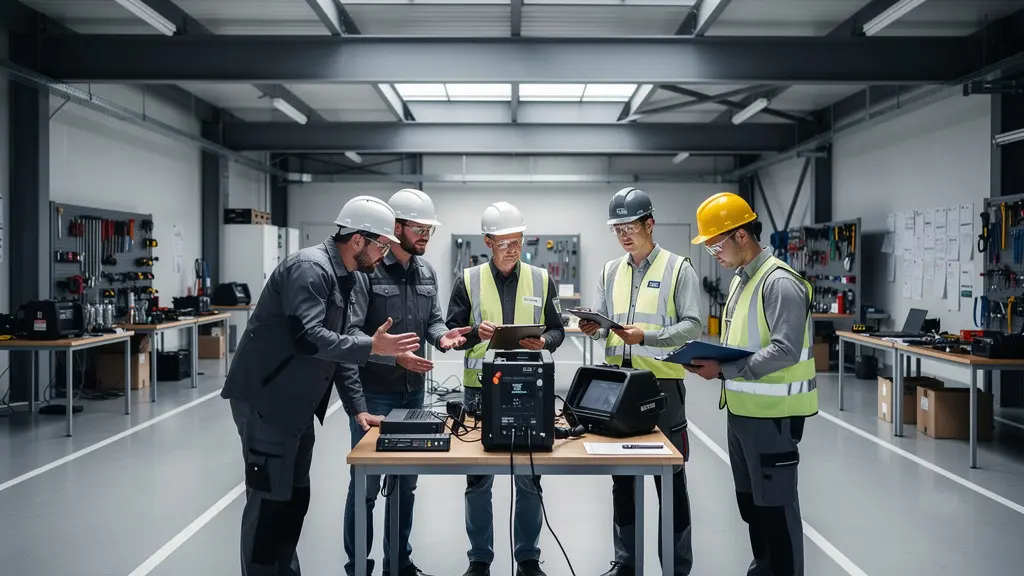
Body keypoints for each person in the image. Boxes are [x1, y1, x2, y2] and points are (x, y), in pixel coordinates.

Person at [221, 195, 422, 576]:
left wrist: (358, 408)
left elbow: (341, 347)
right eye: (381, 245)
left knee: (295, 499)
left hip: (298, 405)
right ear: (358, 240)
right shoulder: (309, 269)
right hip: (268, 402)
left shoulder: (351, 277)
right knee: (269, 504)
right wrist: (372, 346)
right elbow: (309, 338)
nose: (384, 254)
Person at [341, 189, 472, 576]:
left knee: (405, 484)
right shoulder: (367, 270)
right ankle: (358, 567)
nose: (426, 236)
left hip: (413, 393)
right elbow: (351, 335)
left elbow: (433, 321)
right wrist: (392, 356)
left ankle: (398, 563)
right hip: (373, 395)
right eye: (420, 228)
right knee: (366, 486)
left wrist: (443, 337)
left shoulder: (426, 271)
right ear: (396, 228)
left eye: (430, 229)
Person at [686, 192, 817, 576]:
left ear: (741, 235)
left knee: (776, 510)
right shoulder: (743, 280)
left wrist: (725, 370)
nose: (714, 254)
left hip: (774, 417)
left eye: (715, 245)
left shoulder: (779, 283)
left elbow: (785, 350)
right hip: (743, 412)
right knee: (752, 508)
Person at [577, 187, 700, 576]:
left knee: (671, 482)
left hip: (662, 388)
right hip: (618, 387)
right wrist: (594, 328)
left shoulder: (679, 268)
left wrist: (646, 336)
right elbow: (605, 326)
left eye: (630, 227)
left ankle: (676, 568)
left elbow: (692, 326)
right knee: (623, 482)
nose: (624, 235)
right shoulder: (610, 271)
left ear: (650, 224)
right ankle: (626, 563)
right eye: (617, 229)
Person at [445, 201, 566, 576]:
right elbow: (451, 335)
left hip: (530, 388)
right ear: (487, 242)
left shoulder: (542, 279)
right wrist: (473, 333)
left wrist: (545, 342)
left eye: (517, 241)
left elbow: (557, 329)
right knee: (478, 480)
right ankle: (480, 559)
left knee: (529, 478)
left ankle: (527, 557)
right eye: (503, 243)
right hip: (479, 392)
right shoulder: (467, 281)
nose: (512, 249)